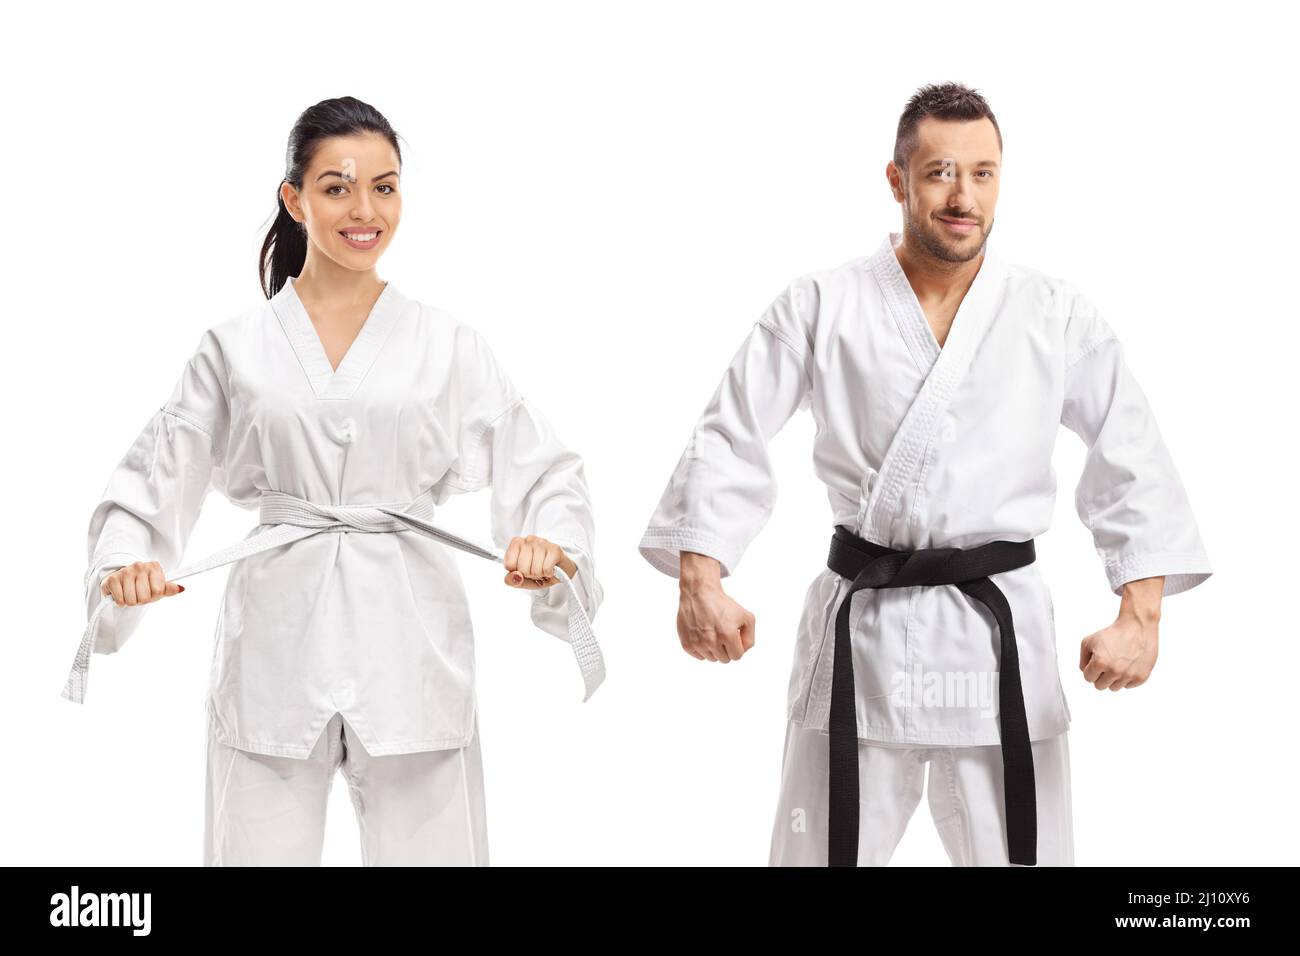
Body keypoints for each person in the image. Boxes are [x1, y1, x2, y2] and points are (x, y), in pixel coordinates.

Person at [637, 82, 1211, 866]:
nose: (962, 196)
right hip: (861, 644)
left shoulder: (1053, 313)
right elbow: (729, 433)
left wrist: (1140, 614)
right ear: (897, 180)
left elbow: (1130, 452)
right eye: (941, 172)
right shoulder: (819, 304)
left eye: (983, 173)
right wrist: (700, 578)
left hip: (995, 650)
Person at [69, 96, 604, 866]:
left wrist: (547, 545)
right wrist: (124, 567)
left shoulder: (447, 343)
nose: (365, 210)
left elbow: (544, 466)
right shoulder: (234, 348)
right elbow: (154, 473)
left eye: (385, 187)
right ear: (294, 198)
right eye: (337, 186)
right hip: (276, 647)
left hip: (412, 643)